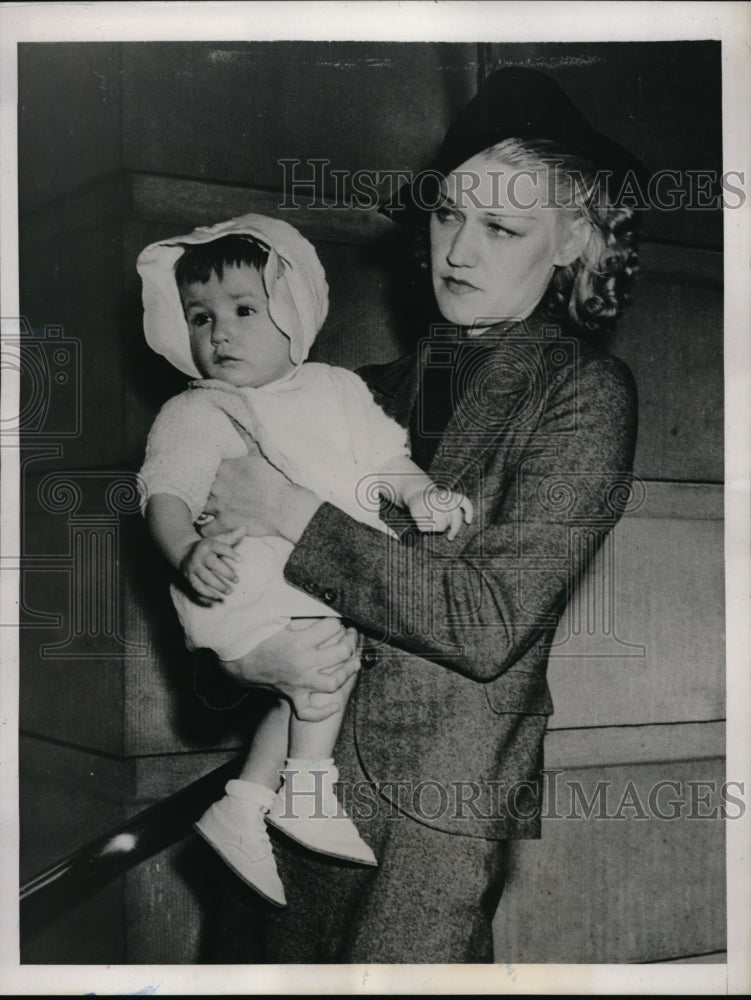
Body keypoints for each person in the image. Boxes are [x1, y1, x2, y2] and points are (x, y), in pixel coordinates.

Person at [201, 67, 643, 963]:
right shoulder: (347, 391)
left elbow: (487, 623)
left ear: (571, 238)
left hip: (432, 815)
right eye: (447, 216)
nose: (459, 252)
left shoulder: (582, 394)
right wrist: (247, 662)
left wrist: (291, 511)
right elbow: (221, 582)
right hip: (286, 799)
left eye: (501, 228)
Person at [136, 214, 473, 908]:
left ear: (293, 311)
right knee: (322, 671)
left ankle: (247, 802)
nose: (219, 333)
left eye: (243, 310)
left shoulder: (337, 389)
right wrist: (186, 550)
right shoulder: (201, 410)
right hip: (243, 579)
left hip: (311, 578)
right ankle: (308, 793)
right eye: (200, 317)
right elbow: (164, 496)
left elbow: (385, 460)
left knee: (311, 680)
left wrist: (422, 494)